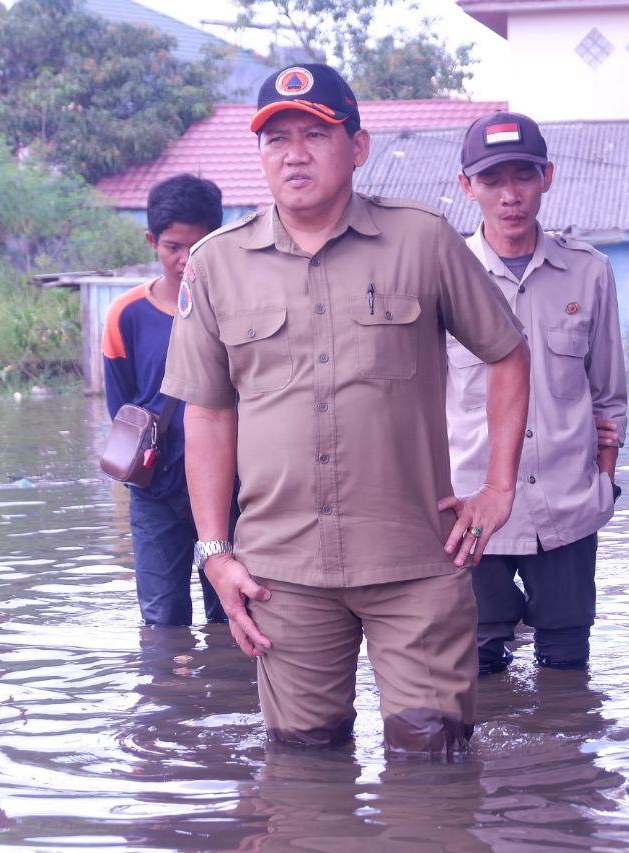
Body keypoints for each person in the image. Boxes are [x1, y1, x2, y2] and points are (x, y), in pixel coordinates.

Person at [160, 63, 531, 758]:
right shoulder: (217, 264)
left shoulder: (422, 241)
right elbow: (207, 415)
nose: (294, 153)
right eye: (276, 140)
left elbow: (507, 352)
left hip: (416, 560)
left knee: (433, 763)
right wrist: (214, 552)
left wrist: (499, 489)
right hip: (282, 576)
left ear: (357, 147)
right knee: (303, 766)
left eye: (315, 134)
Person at [448, 111, 628, 674]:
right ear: (467, 187)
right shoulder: (443, 273)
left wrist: (603, 475)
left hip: (568, 506)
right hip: (472, 510)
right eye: (493, 180)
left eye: (522, 176)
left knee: (567, 670)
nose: (510, 195)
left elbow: (610, 394)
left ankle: (567, 766)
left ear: (546, 177)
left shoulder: (588, 272)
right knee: (478, 670)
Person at [102, 174, 226, 627]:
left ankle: (232, 695)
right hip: (156, 494)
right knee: (161, 618)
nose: (184, 259)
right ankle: (171, 696)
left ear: (217, 237)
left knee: (234, 614)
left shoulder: (237, 308)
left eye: (197, 245)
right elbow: (122, 413)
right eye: (172, 246)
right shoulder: (125, 316)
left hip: (233, 491)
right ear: (151, 240)